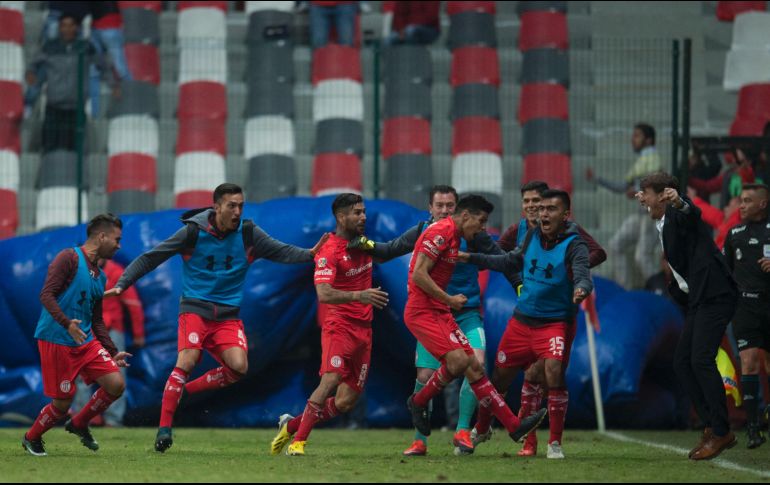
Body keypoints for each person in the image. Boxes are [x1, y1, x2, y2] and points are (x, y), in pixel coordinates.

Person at [105, 183, 329, 452]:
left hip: (227, 317)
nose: (237, 211)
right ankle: (164, 429)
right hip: (195, 310)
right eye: (231, 206)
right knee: (186, 359)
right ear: (217, 207)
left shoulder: (248, 233)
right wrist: (124, 282)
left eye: (241, 205)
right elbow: (151, 257)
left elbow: (280, 251)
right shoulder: (192, 232)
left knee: (238, 367)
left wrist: (309, 254)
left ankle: (185, 390)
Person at [348, 186, 511, 456]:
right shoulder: (425, 231)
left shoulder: (471, 233)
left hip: (467, 312)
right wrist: (364, 243)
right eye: (440, 206)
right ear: (430, 209)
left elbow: (502, 261)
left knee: (477, 364)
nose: (445, 210)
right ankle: (420, 440)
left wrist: (516, 282)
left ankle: (462, 432)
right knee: (424, 375)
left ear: (460, 211)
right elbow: (389, 250)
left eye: (450, 205)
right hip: (434, 313)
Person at [402, 194, 548, 450]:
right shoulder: (440, 233)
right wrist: (448, 298)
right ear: (466, 216)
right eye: (480, 222)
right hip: (424, 311)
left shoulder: (458, 237)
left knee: (475, 368)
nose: (483, 229)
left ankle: (514, 426)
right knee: (458, 362)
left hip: (441, 310)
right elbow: (418, 274)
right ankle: (419, 404)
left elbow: (507, 260)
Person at [461, 190, 593, 460]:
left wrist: (580, 287)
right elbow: (510, 260)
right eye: (541, 208)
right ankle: (483, 428)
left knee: (553, 372)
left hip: (554, 323)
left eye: (550, 209)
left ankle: (554, 443)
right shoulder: (531, 235)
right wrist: (471, 258)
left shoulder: (575, 244)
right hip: (521, 321)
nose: (543, 213)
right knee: (498, 379)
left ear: (565, 215)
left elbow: (583, 272)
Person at [269, 194, 388, 456]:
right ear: (341, 217)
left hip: (364, 330)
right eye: (357, 213)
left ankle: (291, 425)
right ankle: (298, 443)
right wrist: (360, 295)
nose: (363, 217)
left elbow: (389, 252)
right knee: (330, 378)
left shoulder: (364, 245)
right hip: (340, 325)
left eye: (364, 212)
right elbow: (324, 293)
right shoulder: (329, 250)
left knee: (346, 401)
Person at [499, 181, 606, 457]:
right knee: (533, 373)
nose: (535, 208)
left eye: (540, 203)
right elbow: (499, 255)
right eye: (530, 203)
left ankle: (552, 441)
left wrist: (570, 273)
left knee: (549, 373)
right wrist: (517, 282)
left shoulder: (571, 235)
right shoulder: (521, 230)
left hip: (558, 317)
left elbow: (596, 253)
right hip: (529, 315)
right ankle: (530, 441)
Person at [636, 172, 738, 460]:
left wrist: (679, 201)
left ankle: (721, 431)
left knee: (700, 359)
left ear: (665, 195)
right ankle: (711, 426)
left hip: (715, 295)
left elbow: (691, 213)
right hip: (698, 299)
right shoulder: (661, 222)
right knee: (683, 362)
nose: (643, 200)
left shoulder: (678, 214)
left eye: (647, 194)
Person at [22, 214, 131, 456]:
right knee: (63, 402)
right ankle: (31, 437)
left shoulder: (100, 276)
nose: (119, 245)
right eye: (117, 239)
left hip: (85, 340)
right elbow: (46, 295)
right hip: (56, 339)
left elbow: (96, 319)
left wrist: (113, 351)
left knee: (116, 384)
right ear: (101, 236)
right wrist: (66, 323)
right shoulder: (69, 257)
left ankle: (80, 423)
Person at [722, 184, 770, 449]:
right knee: (749, 363)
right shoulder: (734, 234)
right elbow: (725, 271)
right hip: (745, 308)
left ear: (762, 204)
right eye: (741, 200)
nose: (741, 205)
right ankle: (753, 428)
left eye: (748, 201)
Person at [25, 15, 118, 152]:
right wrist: (30, 73)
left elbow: (103, 66)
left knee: (75, 149)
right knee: (50, 147)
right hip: (54, 107)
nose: (67, 29)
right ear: (60, 28)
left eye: (71, 25)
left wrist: (113, 84)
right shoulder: (50, 47)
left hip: (77, 107)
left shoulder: (85, 47)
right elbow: (33, 64)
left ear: (76, 28)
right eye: (64, 25)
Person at [587, 123, 662, 289]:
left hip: (652, 216)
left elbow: (654, 184)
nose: (632, 140)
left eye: (637, 136)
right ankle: (625, 290)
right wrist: (598, 179)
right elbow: (624, 187)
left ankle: (659, 291)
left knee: (642, 257)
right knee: (615, 245)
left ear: (648, 140)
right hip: (641, 215)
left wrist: (636, 190)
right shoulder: (643, 161)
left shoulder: (653, 160)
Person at [72, 259, 145, 426]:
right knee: (83, 373)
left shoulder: (116, 272)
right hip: (88, 330)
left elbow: (132, 304)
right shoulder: (82, 273)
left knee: (117, 374)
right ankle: (83, 418)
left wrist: (138, 333)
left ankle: (113, 420)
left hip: (112, 330)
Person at [88, 2, 130, 117]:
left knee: (120, 68)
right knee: (93, 71)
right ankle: (94, 113)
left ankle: (131, 107)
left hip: (109, 25)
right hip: (96, 26)